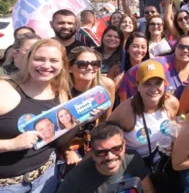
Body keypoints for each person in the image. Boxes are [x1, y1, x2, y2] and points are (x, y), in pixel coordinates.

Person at [0, 39, 71, 192]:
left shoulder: (60, 93)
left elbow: (57, 139)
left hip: (46, 178)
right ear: (28, 60)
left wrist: (82, 119)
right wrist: (11, 144)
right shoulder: (4, 89)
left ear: (63, 65)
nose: (46, 66)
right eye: (39, 59)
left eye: (54, 60)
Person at [109, 60, 179, 161]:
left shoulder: (172, 103)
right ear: (137, 85)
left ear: (164, 83)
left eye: (158, 83)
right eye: (147, 84)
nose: (153, 89)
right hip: (133, 164)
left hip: (161, 160)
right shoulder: (126, 110)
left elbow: (173, 123)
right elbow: (105, 136)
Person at [57, 122, 155, 193]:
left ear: (124, 146)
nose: (110, 157)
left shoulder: (132, 159)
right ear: (93, 153)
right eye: (102, 152)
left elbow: (148, 190)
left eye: (116, 149)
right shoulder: (74, 180)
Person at [119, 35, 189, 101]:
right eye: (181, 47)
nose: (185, 50)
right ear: (175, 48)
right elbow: (131, 74)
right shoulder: (159, 63)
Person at [68, 46, 115, 120]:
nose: (90, 68)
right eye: (82, 64)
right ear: (69, 68)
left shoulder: (107, 85)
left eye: (95, 63)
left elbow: (106, 119)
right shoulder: (60, 89)